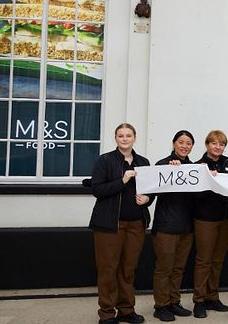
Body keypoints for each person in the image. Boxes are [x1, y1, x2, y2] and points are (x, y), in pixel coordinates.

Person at [89, 123, 151, 324]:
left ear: (134, 137)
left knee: (128, 268)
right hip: (109, 225)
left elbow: (153, 188)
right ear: (115, 138)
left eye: (128, 135)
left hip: (136, 225)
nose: (125, 139)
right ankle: (107, 313)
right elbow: (97, 189)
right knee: (108, 269)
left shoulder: (143, 162)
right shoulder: (105, 160)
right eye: (121, 136)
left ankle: (126, 309)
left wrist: (149, 199)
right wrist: (122, 181)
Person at [152, 130, 196, 322]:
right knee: (164, 268)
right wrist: (170, 170)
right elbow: (152, 190)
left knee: (179, 268)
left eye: (188, 143)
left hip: (187, 227)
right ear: (174, 143)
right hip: (165, 226)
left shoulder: (194, 169)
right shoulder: (163, 165)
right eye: (181, 142)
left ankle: (173, 302)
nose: (184, 146)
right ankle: (161, 306)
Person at [192, 130, 228, 318]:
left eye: (222, 144)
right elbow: (195, 195)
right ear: (207, 145)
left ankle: (212, 296)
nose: (218, 147)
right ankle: (199, 300)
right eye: (214, 143)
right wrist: (209, 179)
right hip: (205, 220)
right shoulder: (197, 167)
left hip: (226, 220)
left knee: (218, 261)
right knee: (203, 260)